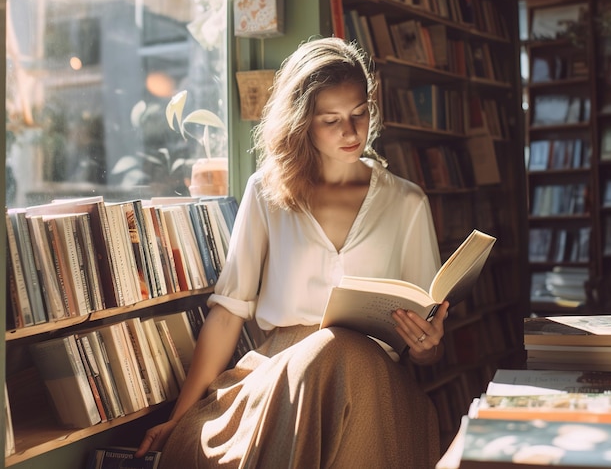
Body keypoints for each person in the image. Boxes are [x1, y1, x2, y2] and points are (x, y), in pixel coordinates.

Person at [136, 37, 448, 468]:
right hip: (277, 376)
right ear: (303, 121)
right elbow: (228, 312)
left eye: (359, 113)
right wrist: (179, 417)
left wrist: (428, 346)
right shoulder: (267, 192)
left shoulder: (407, 202)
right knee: (328, 349)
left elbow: (427, 346)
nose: (351, 131)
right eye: (331, 120)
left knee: (342, 349)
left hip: (375, 382)